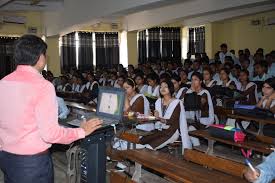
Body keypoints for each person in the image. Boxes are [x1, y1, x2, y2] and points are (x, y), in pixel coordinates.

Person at [0, 35, 102, 183]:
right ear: (40, 57)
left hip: (6, 157)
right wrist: (82, 131)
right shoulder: (42, 86)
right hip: (31, 163)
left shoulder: (4, 82)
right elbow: (50, 134)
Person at [139, 79, 191, 151]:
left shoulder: (177, 102)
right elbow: (156, 117)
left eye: (165, 87)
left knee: (149, 147)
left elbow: (172, 121)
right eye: (161, 87)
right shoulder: (158, 101)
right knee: (141, 141)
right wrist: (152, 116)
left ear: (170, 88)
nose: (162, 89)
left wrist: (159, 118)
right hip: (159, 130)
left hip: (170, 132)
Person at [184, 72, 214, 146]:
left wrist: (193, 92)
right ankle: (191, 150)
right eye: (192, 80)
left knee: (190, 129)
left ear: (200, 81)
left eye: (196, 79)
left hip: (204, 120)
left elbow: (197, 106)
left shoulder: (205, 93)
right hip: (192, 120)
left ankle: (197, 147)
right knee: (184, 127)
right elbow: (185, 106)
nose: (193, 82)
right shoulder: (189, 91)